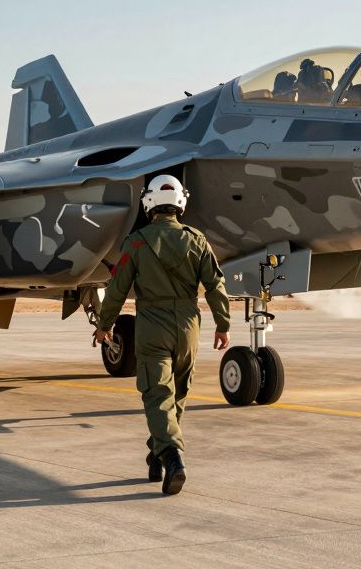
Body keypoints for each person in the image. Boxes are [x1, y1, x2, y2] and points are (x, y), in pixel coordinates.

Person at [94, 174, 232, 495]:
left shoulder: (136, 242)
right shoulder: (197, 239)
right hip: (188, 327)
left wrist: (105, 325)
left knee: (158, 396)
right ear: (180, 202)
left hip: (152, 325)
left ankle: (172, 457)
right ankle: (156, 455)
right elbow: (215, 284)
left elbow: (116, 289)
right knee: (176, 397)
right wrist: (223, 325)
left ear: (149, 202)